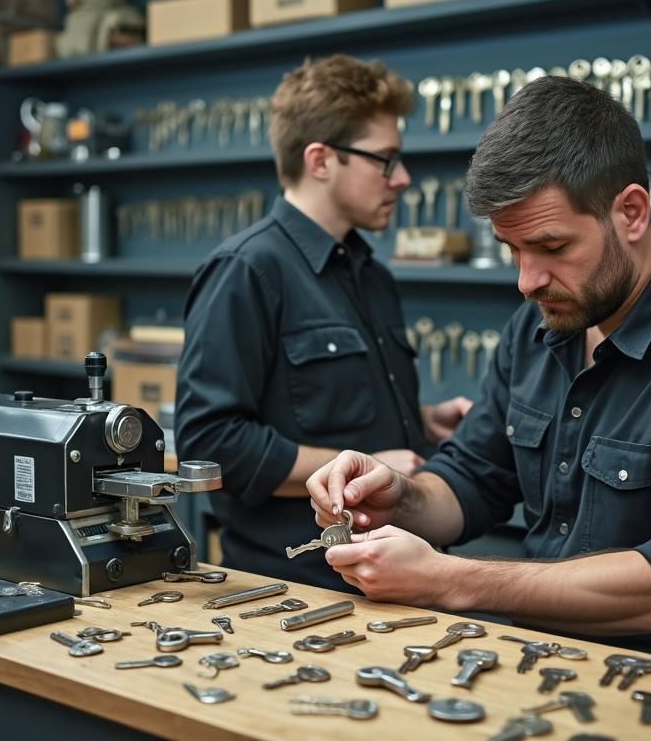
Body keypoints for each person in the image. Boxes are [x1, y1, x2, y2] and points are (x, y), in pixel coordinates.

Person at [305, 75, 651, 679]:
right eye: (512, 249)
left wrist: (448, 580)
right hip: (544, 676)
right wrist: (400, 497)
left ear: (631, 212)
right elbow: (473, 480)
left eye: (551, 246)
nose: (527, 281)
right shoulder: (540, 325)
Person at [175, 55, 471, 592]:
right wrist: (362, 465)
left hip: (398, 575)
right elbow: (211, 444)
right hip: (298, 588)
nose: (402, 178)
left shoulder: (371, 275)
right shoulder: (247, 270)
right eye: (385, 160)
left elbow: (321, 406)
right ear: (320, 160)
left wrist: (424, 418)